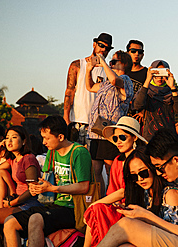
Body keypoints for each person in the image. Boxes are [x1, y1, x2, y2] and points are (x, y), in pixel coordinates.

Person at [3, 116, 92, 247]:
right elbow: (45, 180)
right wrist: (37, 187)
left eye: (47, 138)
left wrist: (53, 189)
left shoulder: (79, 152)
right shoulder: (52, 152)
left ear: (60, 137)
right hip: (55, 204)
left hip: (74, 208)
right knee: (10, 222)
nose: (44, 142)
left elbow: (84, 187)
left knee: (36, 219)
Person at [84, 148, 178, 247]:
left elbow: (173, 235)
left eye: (143, 172)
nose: (140, 179)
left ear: (153, 168)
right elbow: (96, 207)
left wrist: (145, 217)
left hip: (165, 241)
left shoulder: (170, 194)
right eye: (134, 176)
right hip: (145, 236)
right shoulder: (142, 190)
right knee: (97, 210)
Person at [83, 116, 148, 246]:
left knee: (95, 209)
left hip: (135, 206)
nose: (118, 141)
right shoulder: (117, 160)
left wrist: (94, 205)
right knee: (97, 209)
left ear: (134, 137)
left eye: (122, 137)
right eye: (115, 138)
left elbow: (124, 192)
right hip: (118, 207)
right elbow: (112, 191)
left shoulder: (138, 160)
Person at [0, 126, 41, 247]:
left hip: (27, 205)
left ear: (24, 141)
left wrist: (12, 203)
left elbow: (32, 190)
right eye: (7, 138)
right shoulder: (12, 160)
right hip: (15, 201)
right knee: (0, 172)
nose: (9, 141)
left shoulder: (28, 159)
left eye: (14, 137)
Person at [86, 50, 134, 197]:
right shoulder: (106, 82)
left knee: (110, 169)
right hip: (96, 131)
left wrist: (104, 63)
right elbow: (90, 87)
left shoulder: (125, 80)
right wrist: (89, 71)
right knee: (96, 170)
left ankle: (114, 198)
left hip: (110, 132)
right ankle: (100, 200)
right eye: (111, 61)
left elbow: (115, 81)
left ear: (124, 64)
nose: (111, 63)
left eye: (115, 61)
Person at [63, 33, 113, 145]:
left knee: (93, 160)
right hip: (77, 121)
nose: (103, 50)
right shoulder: (78, 65)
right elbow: (69, 91)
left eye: (107, 48)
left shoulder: (109, 71)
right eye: (101, 45)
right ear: (94, 44)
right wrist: (66, 117)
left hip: (97, 124)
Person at [132, 60, 178, 141]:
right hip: (150, 137)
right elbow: (137, 105)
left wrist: (173, 88)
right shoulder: (146, 91)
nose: (160, 77)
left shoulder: (171, 92)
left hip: (169, 137)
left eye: (163, 73)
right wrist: (147, 81)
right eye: (157, 72)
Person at [126, 39, 148, 118]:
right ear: (127, 52)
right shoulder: (121, 71)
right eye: (133, 51)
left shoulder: (147, 73)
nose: (137, 54)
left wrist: (144, 112)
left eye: (140, 52)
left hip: (137, 118)